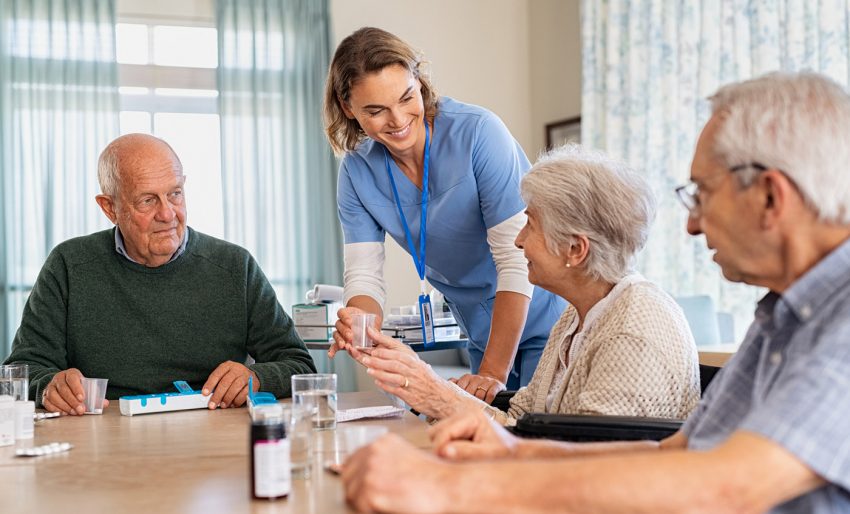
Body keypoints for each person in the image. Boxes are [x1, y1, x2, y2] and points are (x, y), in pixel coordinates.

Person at [341, 71, 850, 513]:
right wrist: (516, 453)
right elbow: (677, 453)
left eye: (703, 193)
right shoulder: (785, 315)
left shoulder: (840, 322)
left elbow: (729, 489)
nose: (692, 225)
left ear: (770, 196)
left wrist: (452, 486)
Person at [345, 145, 699, 423]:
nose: (518, 241)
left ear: (574, 249)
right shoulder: (577, 318)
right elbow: (521, 421)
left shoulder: (630, 333)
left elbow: (583, 468)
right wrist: (429, 389)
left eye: (530, 225)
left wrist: (438, 394)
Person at [324, 27, 565, 398]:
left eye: (407, 97)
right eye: (376, 110)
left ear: (419, 82)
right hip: (482, 332)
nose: (398, 119)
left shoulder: (479, 134)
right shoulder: (357, 172)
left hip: (546, 318)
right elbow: (364, 278)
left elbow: (516, 262)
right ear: (348, 109)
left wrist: (491, 376)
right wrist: (359, 321)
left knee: (536, 440)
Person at [3, 134, 316, 415]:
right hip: (104, 438)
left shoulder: (235, 266)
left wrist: (258, 377)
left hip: (209, 437)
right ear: (109, 208)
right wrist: (48, 387)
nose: (167, 214)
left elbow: (300, 366)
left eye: (175, 194)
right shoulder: (69, 265)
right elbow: (20, 371)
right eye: (147, 200)